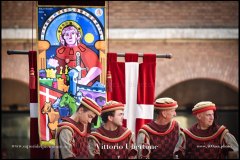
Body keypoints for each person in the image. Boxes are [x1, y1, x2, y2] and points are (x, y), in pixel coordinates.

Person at [174, 101, 239, 159]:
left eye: (212, 114)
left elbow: (235, 153)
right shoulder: (186, 135)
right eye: (208, 115)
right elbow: (176, 155)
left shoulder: (222, 134)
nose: (212, 118)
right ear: (199, 116)